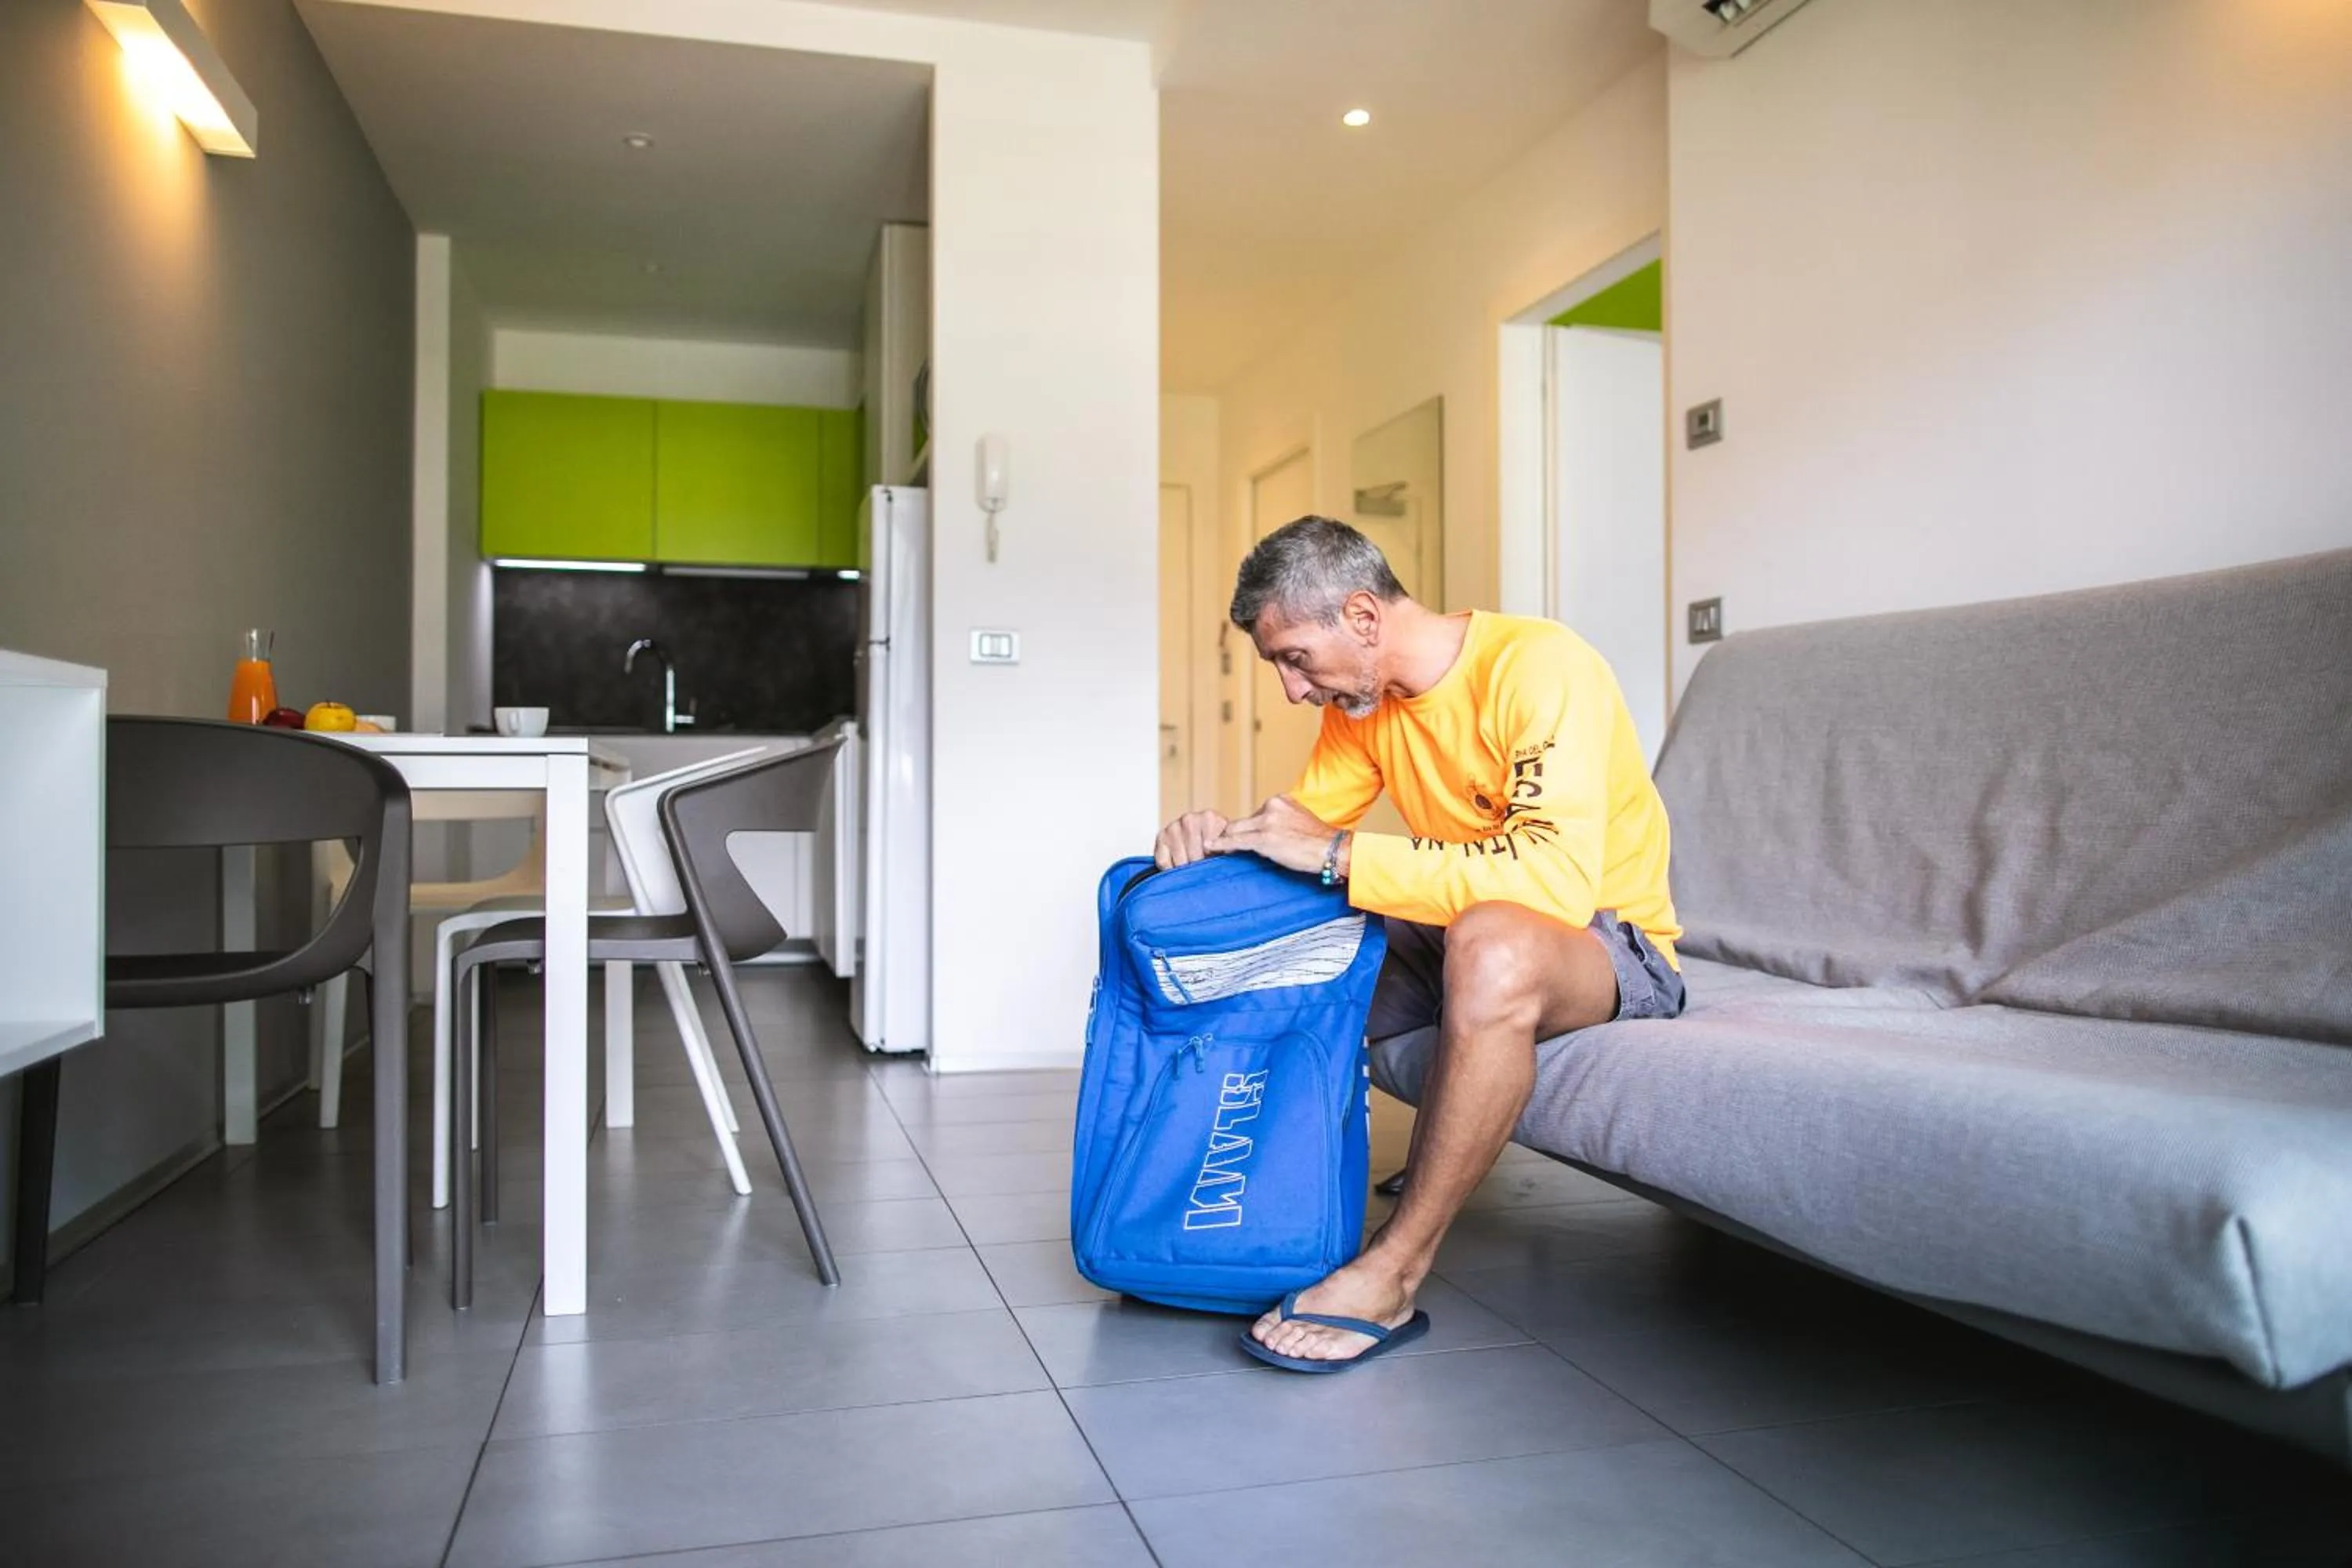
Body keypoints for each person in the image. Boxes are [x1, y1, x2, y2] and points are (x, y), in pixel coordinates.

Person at [1155, 516, 1686, 1370]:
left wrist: (1333, 853)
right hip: (1461, 933)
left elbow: (1552, 884)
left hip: (1607, 943)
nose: (1294, 691)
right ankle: (1220, 1215)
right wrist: (1217, 837)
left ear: (1362, 618)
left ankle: (1395, 1273)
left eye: (1295, 658)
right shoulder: (1365, 707)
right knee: (1301, 933)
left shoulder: (1542, 666)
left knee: (1491, 940)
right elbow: (1302, 833)